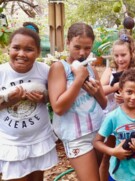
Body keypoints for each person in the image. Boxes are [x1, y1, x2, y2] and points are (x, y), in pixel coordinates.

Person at [48, 22, 107, 181]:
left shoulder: (91, 68)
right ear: (67, 43)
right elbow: (58, 108)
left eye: (87, 48)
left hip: (98, 130)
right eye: (77, 47)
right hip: (76, 136)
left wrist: (96, 93)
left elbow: (104, 103)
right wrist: (79, 79)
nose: (82, 53)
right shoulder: (59, 68)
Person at [0, 25, 58, 180]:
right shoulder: (1, 73)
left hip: (39, 140)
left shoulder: (45, 71)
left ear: (38, 52)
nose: (21, 54)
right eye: (16, 48)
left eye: (29, 49)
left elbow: (55, 98)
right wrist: (7, 101)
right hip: (11, 144)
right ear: (8, 49)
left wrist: (43, 98)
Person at [93, 69, 135, 181]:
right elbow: (96, 142)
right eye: (129, 92)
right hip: (119, 175)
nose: (133, 97)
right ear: (120, 91)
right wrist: (113, 152)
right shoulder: (113, 117)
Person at [100, 33, 135, 115]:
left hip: (129, 116)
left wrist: (127, 98)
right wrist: (118, 85)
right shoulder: (110, 71)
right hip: (111, 115)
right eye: (116, 55)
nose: (120, 59)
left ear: (131, 54)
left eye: (123, 55)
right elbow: (100, 91)